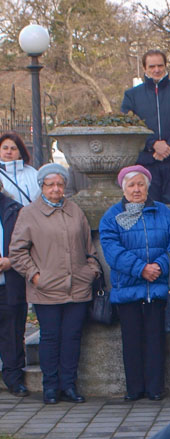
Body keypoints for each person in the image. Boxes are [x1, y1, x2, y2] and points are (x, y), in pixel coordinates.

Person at [9, 163, 100, 404]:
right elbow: (17, 252)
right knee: (50, 337)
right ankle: (50, 387)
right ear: (42, 187)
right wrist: (35, 276)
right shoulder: (29, 214)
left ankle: (69, 385)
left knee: (72, 337)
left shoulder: (75, 211)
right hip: (46, 288)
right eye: (50, 185)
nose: (56, 189)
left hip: (78, 286)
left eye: (60, 184)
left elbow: (88, 247)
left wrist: (91, 271)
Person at [99, 165, 170, 402]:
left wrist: (159, 266)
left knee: (156, 340)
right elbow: (112, 251)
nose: (136, 189)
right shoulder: (112, 217)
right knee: (132, 341)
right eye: (131, 185)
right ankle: (134, 389)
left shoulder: (164, 213)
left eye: (140, 184)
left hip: (157, 288)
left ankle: (155, 388)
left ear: (147, 187)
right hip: (128, 289)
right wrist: (140, 269)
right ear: (123, 189)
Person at [121, 50, 170, 204]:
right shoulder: (132, 95)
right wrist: (153, 144)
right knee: (148, 207)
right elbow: (129, 125)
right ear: (145, 68)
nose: (156, 70)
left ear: (165, 66)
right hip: (146, 161)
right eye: (152, 67)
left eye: (160, 66)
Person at [0, 177, 29, 395]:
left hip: (9, 282)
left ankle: (13, 377)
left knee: (12, 332)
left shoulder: (14, 210)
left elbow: (28, 244)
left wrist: (11, 261)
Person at [0, 131, 39, 206]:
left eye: (13, 149)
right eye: (5, 148)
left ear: (20, 152)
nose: (9, 152)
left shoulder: (33, 174)